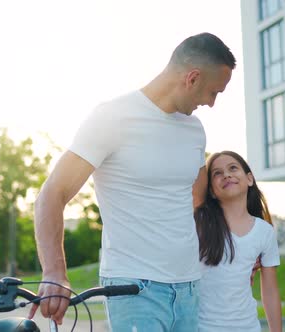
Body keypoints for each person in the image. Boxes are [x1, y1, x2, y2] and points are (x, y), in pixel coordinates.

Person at [29, 32, 236, 331]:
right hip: (135, 289)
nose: (212, 103)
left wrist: (240, 246)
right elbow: (52, 194)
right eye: (214, 92)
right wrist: (54, 273)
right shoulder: (113, 117)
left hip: (189, 287)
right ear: (192, 78)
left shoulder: (195, 130)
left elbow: (196, 200)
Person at [195, 151, 282, 332]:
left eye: (233, 168)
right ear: (211, 190)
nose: (226, 174)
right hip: (203, 328)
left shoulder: (264, 231)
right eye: (217, 173)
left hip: (247, 327)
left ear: (249, 179)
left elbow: (270, 291)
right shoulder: (199, 222)